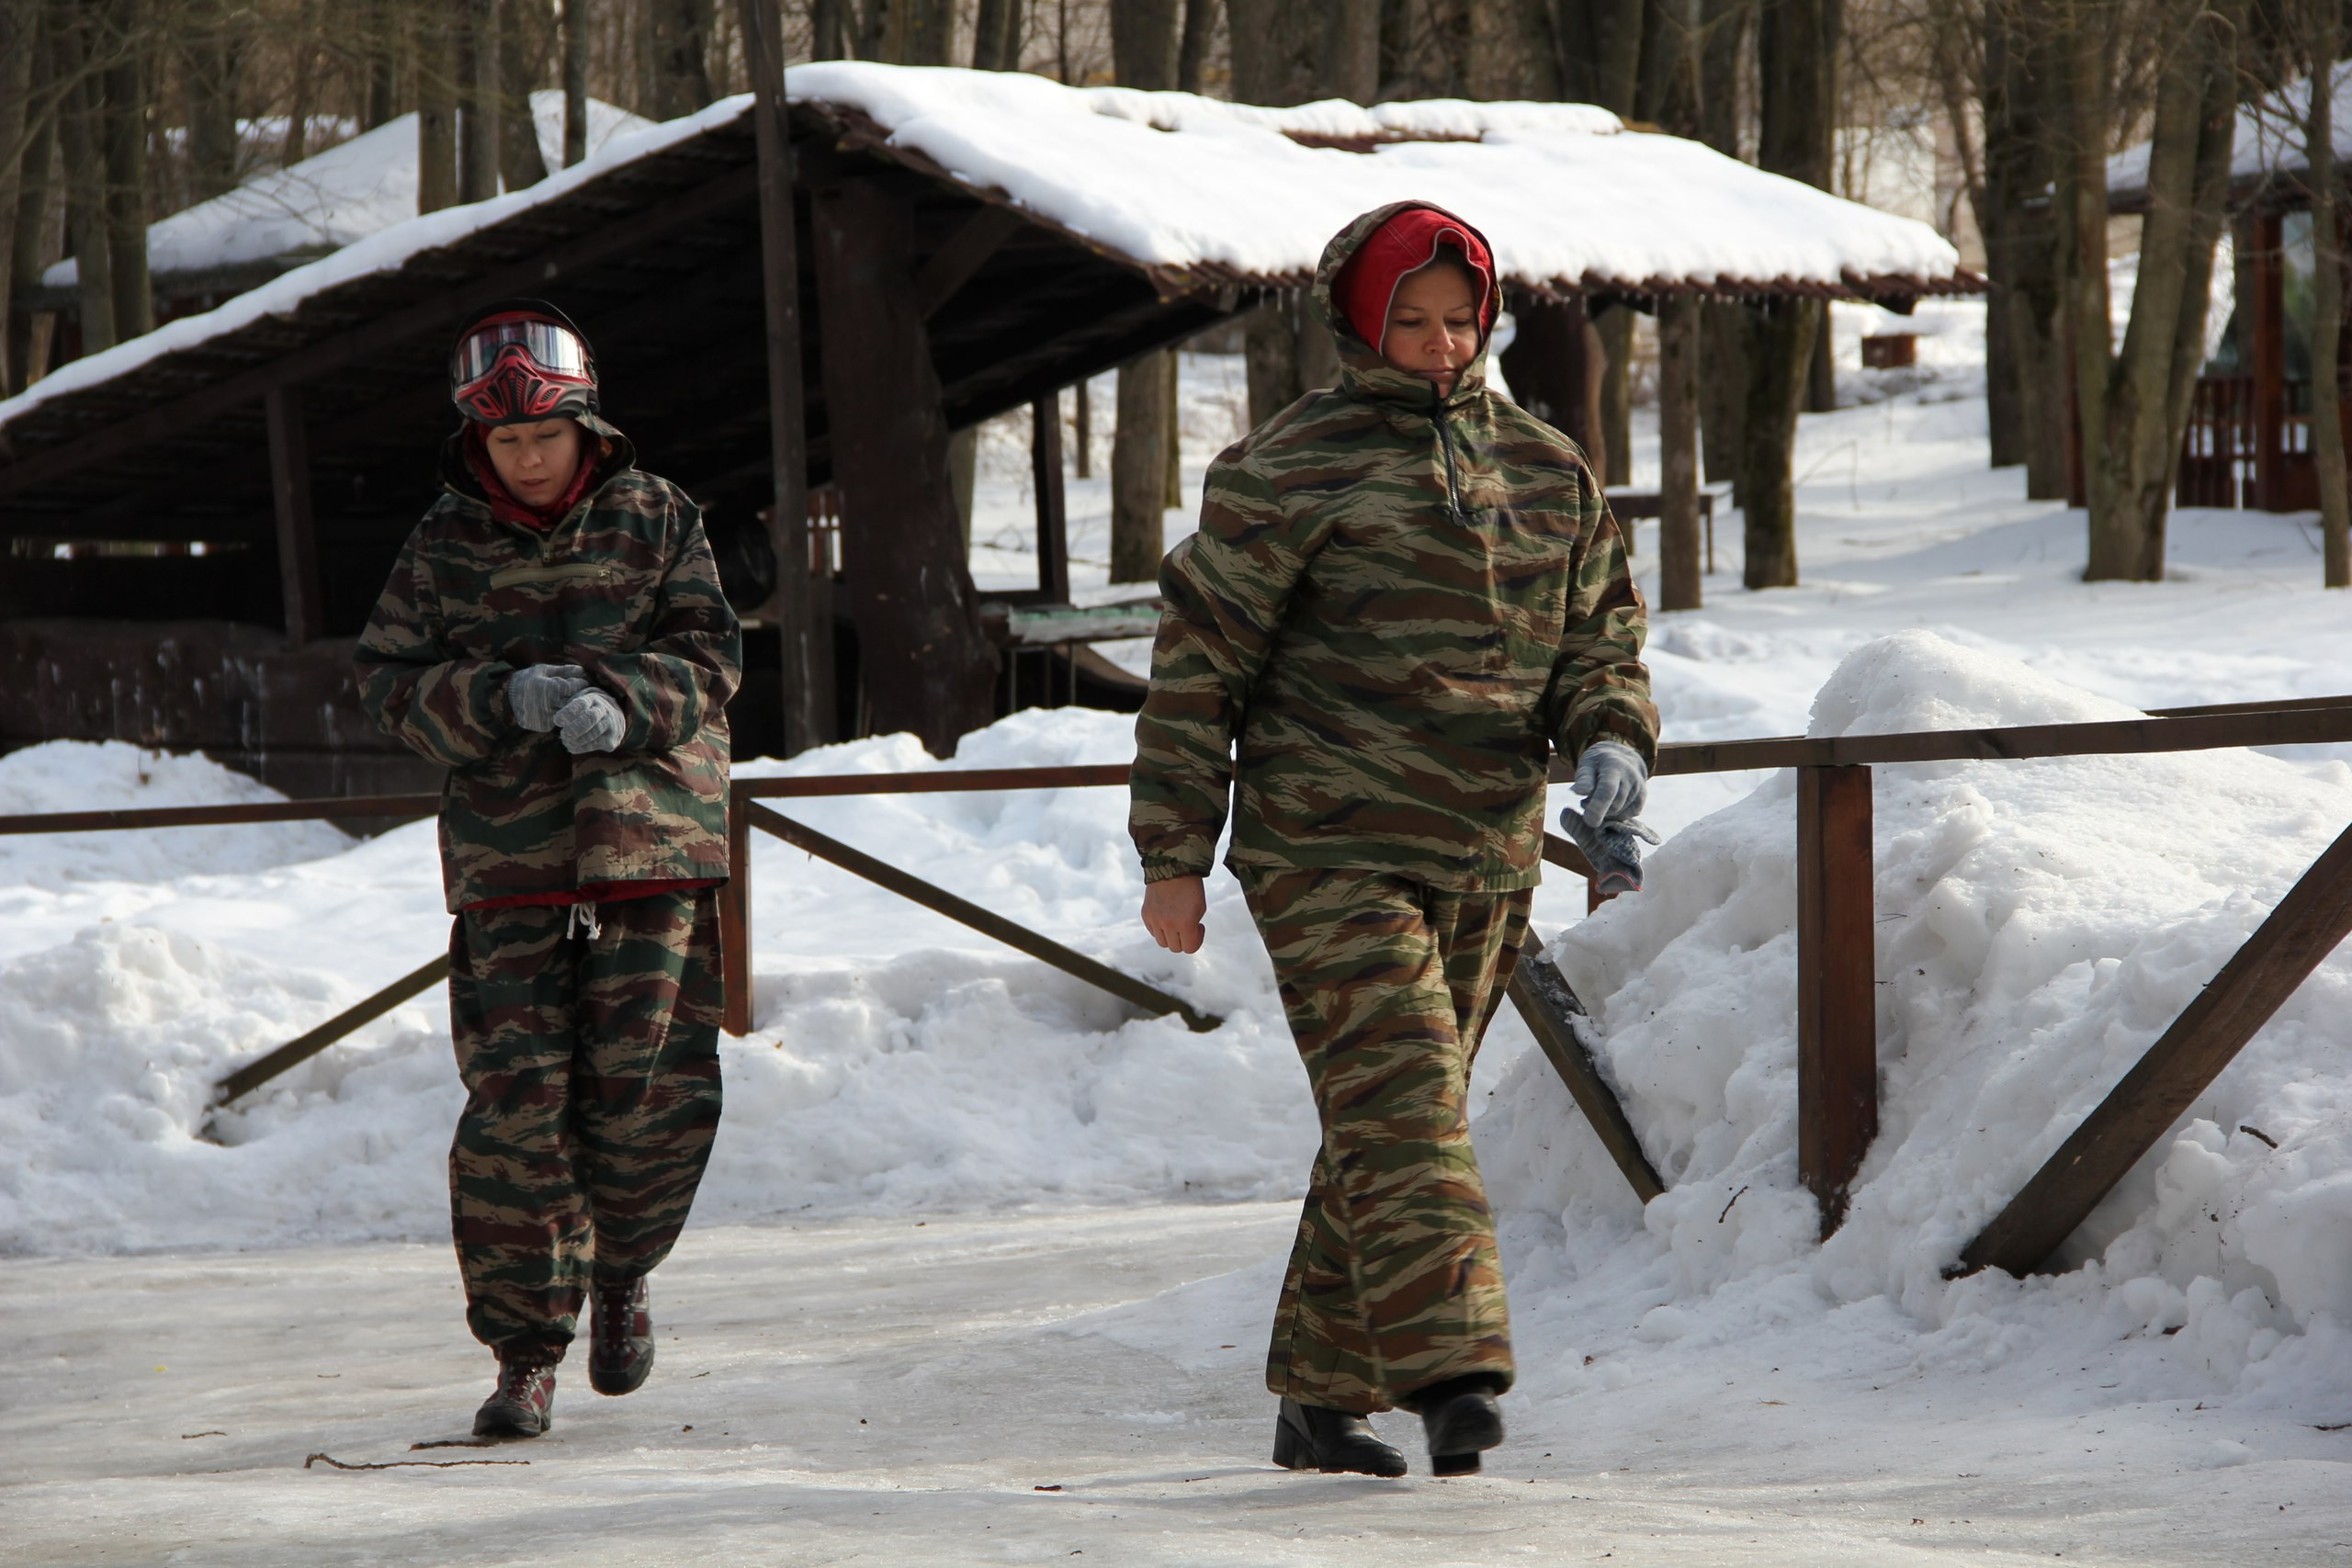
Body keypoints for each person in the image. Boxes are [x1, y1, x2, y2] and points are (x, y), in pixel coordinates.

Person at [1130, 202, 1657, 1477]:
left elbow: (1601, 637)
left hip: (1483, 848)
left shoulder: (1547, 471)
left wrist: (1614, 736)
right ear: (1360, 321)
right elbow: (1201, 666)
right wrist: (1173, 849)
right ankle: (1453, 1364)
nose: (1436, 343)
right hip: (1326, 847)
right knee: (1410, 1106)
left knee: (1385, 1114)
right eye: (1407, 319)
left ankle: (1322, 1394)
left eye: (1458, 320)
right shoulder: (1287, 469)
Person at [356, 299, 741, 1439]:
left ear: (586, 425)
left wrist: (623, 703)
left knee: (645, 1098)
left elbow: (713, 657)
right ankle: (525, 1351)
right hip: (510, 868)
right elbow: (384, 680)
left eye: (544, 439)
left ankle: (622, 1271)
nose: (524, 460)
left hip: (648, 856)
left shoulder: (658, 517)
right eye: (503, 444)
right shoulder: (440, 540)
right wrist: (490, 698)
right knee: (516, 1112)